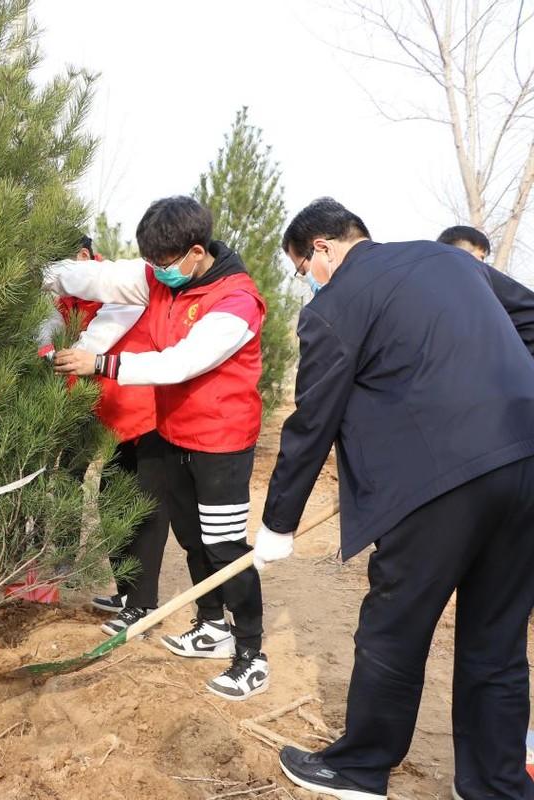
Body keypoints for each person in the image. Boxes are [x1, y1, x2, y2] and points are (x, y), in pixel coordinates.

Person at [252, 198, 534, 800]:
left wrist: (277, 524)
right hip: (525, 462)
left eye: (304, 268)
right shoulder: (448, 261)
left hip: (436, 480)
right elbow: (531, 318)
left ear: (322, 248)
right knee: (498, 639)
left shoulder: (336, 305)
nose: (308, 280)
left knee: (394, 626)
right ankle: (497, 785)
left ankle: (359, 768)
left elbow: (312, 421)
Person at [44, 196, 269, 701]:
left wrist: (100, 364)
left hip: (221, 442)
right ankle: (210, 624)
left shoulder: (235, 302)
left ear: (195, 251)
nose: (156, 273)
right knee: (191, 536)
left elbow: (177, 364)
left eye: (164, 264)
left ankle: (251, 652)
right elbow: (97, 280)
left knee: (225, 546)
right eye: (151, 264)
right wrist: (40, 270)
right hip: (173, 434)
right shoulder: (159, 275)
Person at [36, 236, 168, 635]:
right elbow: (47, 333)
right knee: (106, 499)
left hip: (137, 413)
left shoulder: (118, 286)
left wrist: (69, 354)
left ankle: (142, 603)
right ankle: (126, 592)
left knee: (138, 503)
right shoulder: (63, 302)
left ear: (81, 259)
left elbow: (98, 339)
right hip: (92, 414)